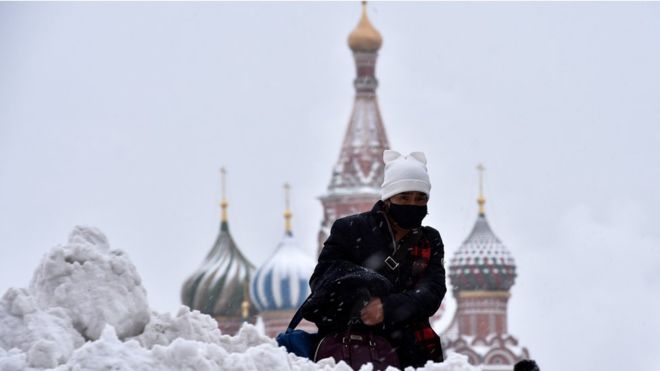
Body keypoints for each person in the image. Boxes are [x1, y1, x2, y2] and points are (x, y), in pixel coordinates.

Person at [302, 150, 446, 369]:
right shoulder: (351, 229)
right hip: (353, 351)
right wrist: (360, 295)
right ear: (388, 199)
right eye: (404, 197)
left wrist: (388, 307)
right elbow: (322, 281)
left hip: (413, 352)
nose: (413, 205)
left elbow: (432, 293)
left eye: (420, 198)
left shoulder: (429, 240)